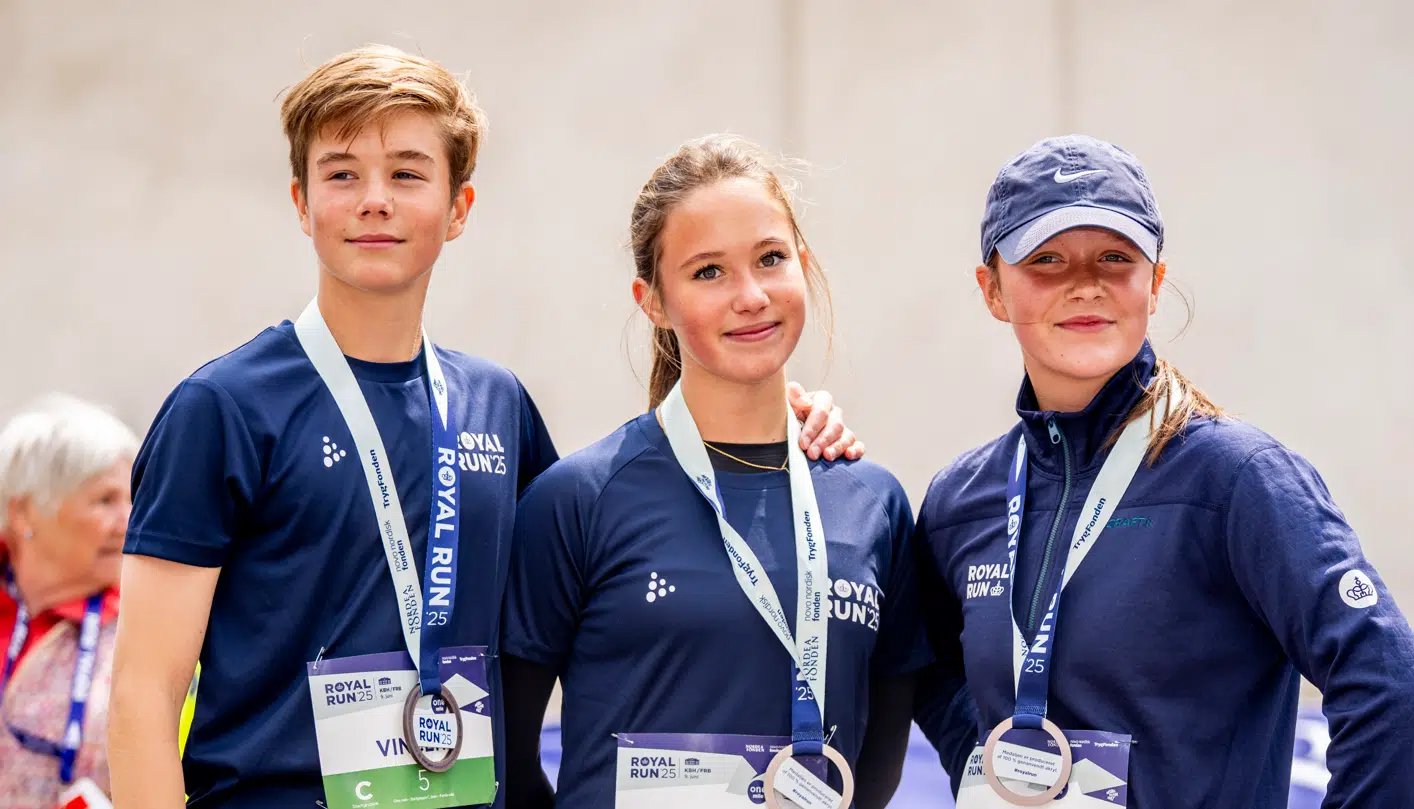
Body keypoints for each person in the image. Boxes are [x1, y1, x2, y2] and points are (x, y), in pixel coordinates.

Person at [107, 46, 859, 809]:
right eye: (342, 173)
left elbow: (640, 508)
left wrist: (774, 426)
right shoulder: (222, 409)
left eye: (406, 173)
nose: (375, 200)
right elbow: (143, 691)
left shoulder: (494, 405)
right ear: (300, 202)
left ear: (459, 206)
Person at [912, 134, 1414, 807]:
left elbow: (1392, 688)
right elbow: (924, 661)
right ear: (992, 289)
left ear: (1154, 283)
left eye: (1115, 257)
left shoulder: (1235, 478)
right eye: (1045, 259)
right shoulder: (964, 497)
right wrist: (983, 774)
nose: (1084, 283)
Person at [500, 135, 928, 809]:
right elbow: (510, 760)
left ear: (803, 265)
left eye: (770, 259)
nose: (751, 295)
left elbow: (881, 754)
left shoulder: (872, 501)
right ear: (653, 302)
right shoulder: (577, 498)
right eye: (708, 272)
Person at [0, 394, 138, 808]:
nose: (130, 521)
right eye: (105, 501)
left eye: (133, 498)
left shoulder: (145, 624)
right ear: (24, 514)